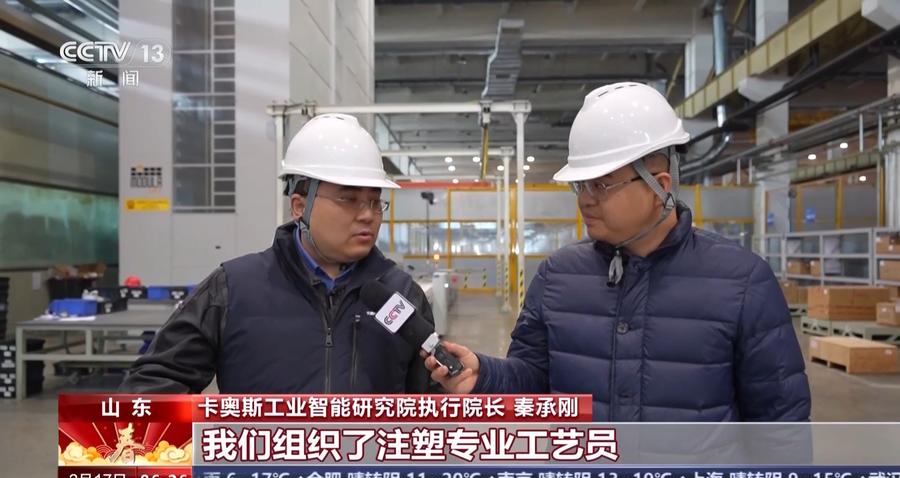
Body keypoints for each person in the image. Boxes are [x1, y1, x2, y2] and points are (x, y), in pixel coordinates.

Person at [426, 82, 811, 421]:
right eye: (580, 186)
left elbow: (779, 424)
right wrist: (484, 377)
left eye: (601, 185)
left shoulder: (742, 282)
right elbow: (534, 381)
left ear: (660, 186)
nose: (585, 200)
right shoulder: (558, 276)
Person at [121, 113, 434, 394]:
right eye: (348, 199)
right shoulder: (234, 288)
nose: (367, 215)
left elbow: (431, 402)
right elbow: (154, 382)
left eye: (375, 202)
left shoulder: (402, 294)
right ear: (299, 207)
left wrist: (459, 388)